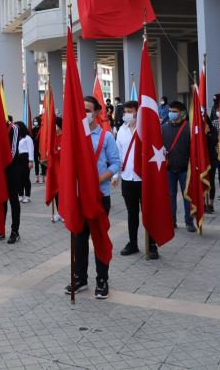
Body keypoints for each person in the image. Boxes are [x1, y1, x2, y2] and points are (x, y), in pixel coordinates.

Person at [66, 96, 120, 300]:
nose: (85, 113)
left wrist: (97, 180)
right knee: (79, 239)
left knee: (99, 237)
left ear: (97, 112)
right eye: (82, 110)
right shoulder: (75, 136)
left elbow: (115, 164)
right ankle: (80, 278)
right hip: (79, 197)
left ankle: (102, 280)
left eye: (88, 110)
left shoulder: (106, 137)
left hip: (99, 196)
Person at [113, 101, 159, 259]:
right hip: (127, 177)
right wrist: (115, 175)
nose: (126, 114)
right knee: (132, 213)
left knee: (149, 212)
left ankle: (151, 243)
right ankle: (133, 243)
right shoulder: (121, 131)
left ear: (137, 112)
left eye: (129, 111)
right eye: (124, 111)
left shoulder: (145, 129)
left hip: (144, 178)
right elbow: (117, 154)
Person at [162, 101, 195, 232]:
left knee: (188, 196)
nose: (171, 114)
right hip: (168, 168)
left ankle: (189, 221)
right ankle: (172, 221)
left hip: (185, 169)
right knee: (170, 196)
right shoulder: (163, 128)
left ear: (181, 113)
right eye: (170, 111)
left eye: (174, 111)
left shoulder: (189, 128)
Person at [0, 118, 22, 245]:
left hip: (12, 169)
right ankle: (0, 230)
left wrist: (1, 164)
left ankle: (15, 231)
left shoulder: (14, 128)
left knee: (13, 200)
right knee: (1, 200)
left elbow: (13, 151)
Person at [16, 121, 34, 203]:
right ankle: (20, 195)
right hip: (18, 159)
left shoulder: (28, 138)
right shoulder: (18, 137)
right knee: (19, 177)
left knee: (25, 177)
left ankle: (27, 195)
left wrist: (31, 160)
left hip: (25, 158)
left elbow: (31, 150)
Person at [32, 116, 46, 184]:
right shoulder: (33, 130)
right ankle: (37, 177)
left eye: (36, 121)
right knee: (36, 163)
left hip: (41, 148)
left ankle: (43, 177)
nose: (35, 122)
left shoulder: (42, 129)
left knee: (42, 163)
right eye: (34, 121)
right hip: (35, 148)